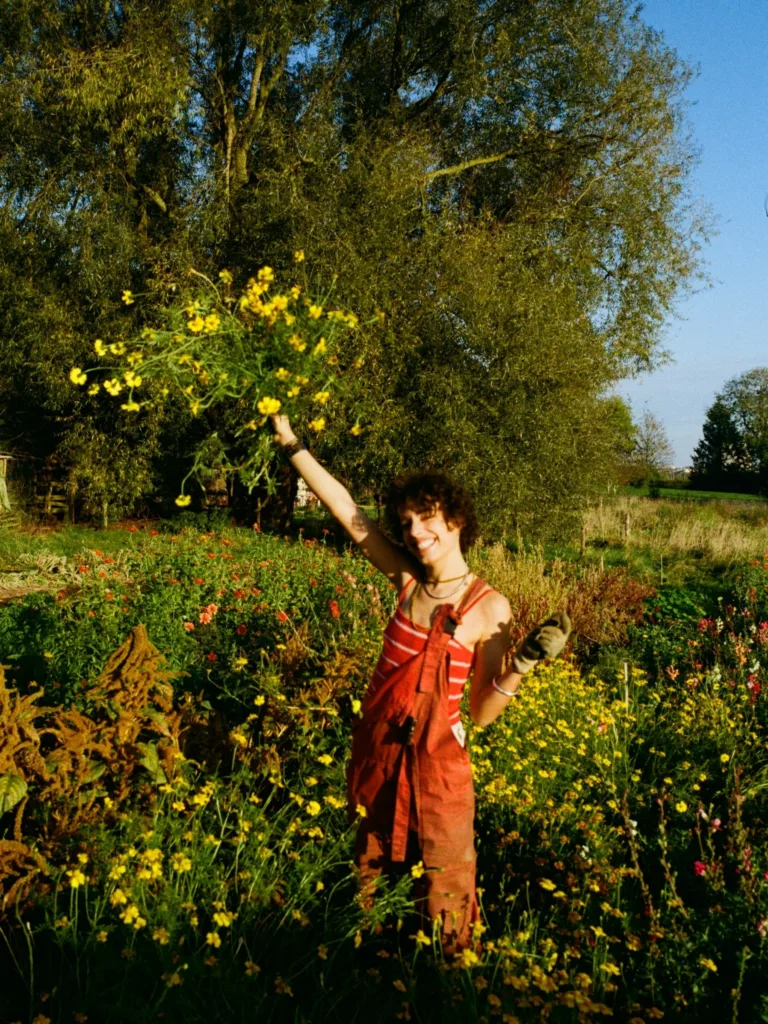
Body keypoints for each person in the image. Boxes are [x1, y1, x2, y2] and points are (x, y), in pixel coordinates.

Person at [270, 414, 570, 953]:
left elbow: (480, 714)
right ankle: (374, 960)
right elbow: (345, 509)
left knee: (444, 874)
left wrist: (522, 663)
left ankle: (448, 974)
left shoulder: (489, 608)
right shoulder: (406, 580)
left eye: (426, 518)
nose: (414, 532)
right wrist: (291, 443)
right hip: (379, 752)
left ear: (456, 520)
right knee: (372, 863)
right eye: (406, 522)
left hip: (439, 765)